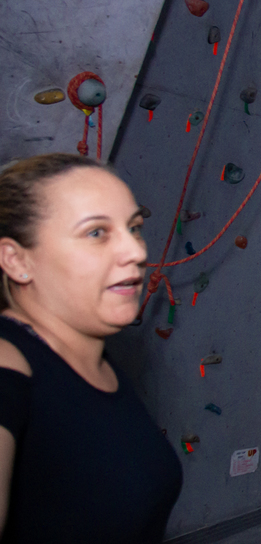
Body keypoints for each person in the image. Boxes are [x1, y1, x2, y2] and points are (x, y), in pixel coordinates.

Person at [0, 153, 183, 542]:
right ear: (16, 260)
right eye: (97, 233)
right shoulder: (8, 361)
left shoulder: (96, 362)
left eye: (134, 228)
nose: (137, 252)